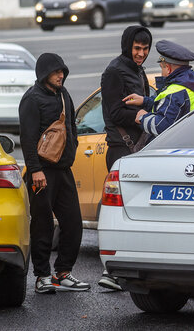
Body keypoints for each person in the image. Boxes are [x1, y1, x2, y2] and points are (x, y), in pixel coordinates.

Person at [19, 53, 89, 294]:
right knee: (42, 225)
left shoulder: (63, 94)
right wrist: (36, 170)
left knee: (73, 223)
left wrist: (73, 148)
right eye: (56, 72)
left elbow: (71, 125)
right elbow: (27, 139)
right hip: (42, 172)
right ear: (44, 74)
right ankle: (42, 276)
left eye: (63, 72)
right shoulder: (32, 98)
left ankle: (63, 273)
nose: (61, 75)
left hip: (63, 170)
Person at [97, 25, 154, 291]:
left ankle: (135, 271)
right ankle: (112, 272)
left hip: (139, 149)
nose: (141, 53)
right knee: (122, 212)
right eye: (137, 48)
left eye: (145, 49)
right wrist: (142, 114)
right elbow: (113, 111)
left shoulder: (137, 70)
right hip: (122, 149)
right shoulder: (114, 72)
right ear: (127, 46)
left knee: (140, 214)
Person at [125, 40, 194, 138]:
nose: (161, 72)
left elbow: (160, 127)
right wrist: (145, 101)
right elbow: (176, 107)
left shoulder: (174, 93)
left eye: (162, 68)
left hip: (179, 146)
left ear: (168, 68)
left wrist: (143, 117)